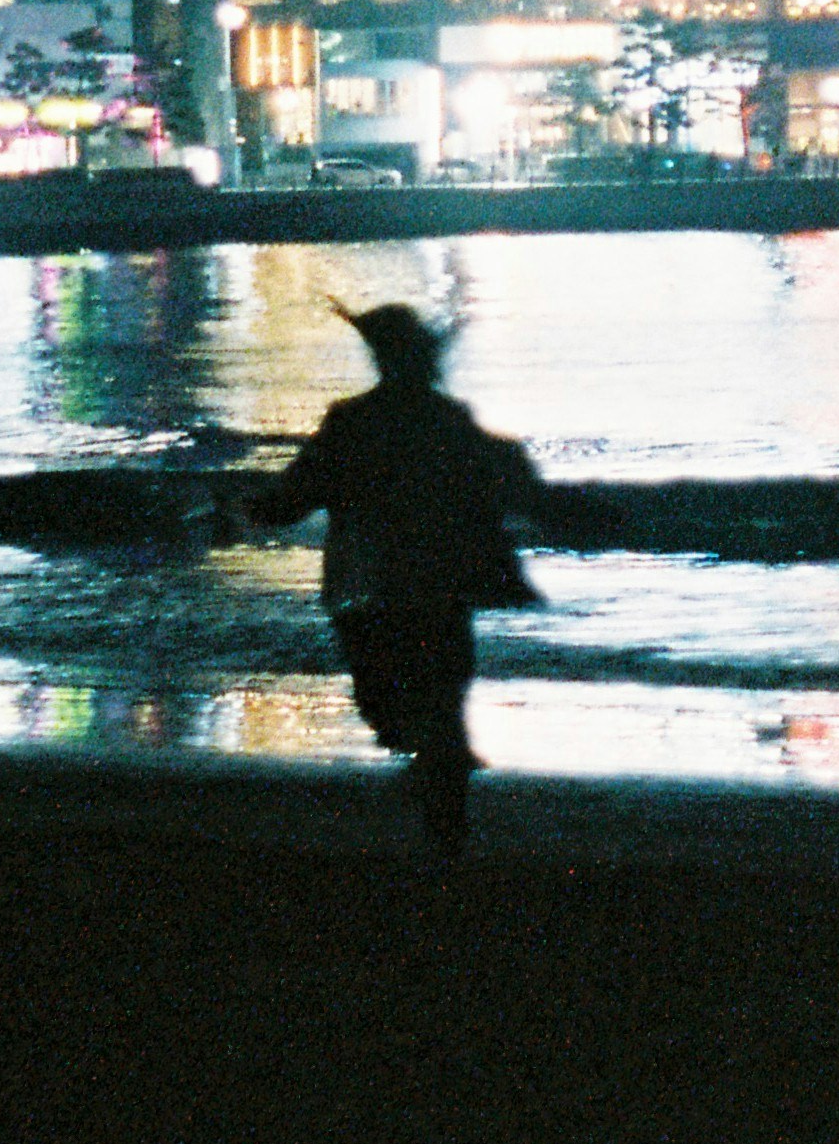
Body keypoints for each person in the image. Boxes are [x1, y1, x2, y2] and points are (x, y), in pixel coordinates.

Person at [235, 303, 619, 853]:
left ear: (381, 359)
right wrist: (574, 513)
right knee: (436, 705)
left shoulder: (351, 423)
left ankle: (440, 807)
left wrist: (248, 508)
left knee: (391, 710)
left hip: (366, 593)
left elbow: (293, 500)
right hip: (438, 591)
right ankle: (444, 818)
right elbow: (514, 487)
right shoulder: (446, 422)